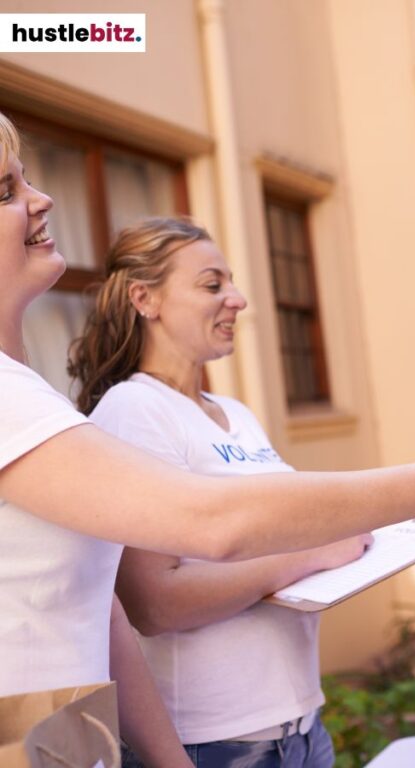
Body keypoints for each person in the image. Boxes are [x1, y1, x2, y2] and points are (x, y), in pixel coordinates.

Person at [0, 111, 415, 765]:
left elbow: (102, 613)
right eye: (5, 190)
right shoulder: (116, 409)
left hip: (217, 728)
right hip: (205, 734)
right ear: (145, 300)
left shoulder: (39, 392)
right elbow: (197, 541)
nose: (237, 299)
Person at [65, 218, 370, 765]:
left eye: (231, 283)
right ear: (144, 298)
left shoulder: (236, 414)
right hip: (217, 741)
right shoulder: (134, 411)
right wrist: (306, 556)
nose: (238, 299)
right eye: (212, 285)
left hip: (299, 725)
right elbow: (154, 602)